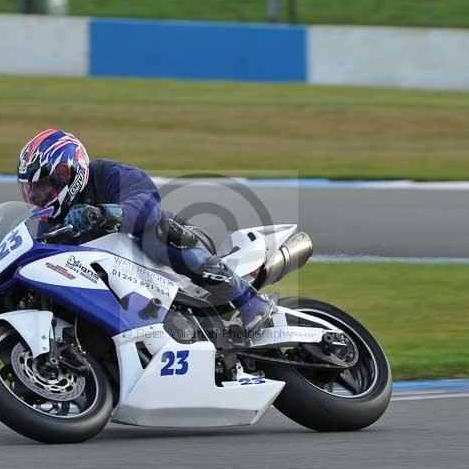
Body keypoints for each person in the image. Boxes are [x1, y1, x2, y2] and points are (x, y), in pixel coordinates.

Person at [16, 129, 275, 335]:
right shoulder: (50, 221)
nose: (37, 196)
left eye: (43, 186)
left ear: (66, 174)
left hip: (175, 243)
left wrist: (105, 214)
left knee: (155, 233)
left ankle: (249, 301)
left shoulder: (106, 174)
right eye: (31, 189)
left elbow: (147, 202)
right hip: (127, 287)